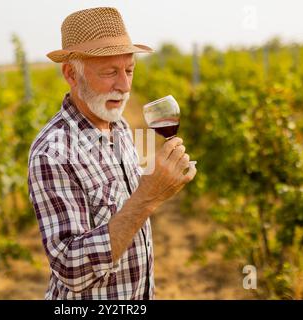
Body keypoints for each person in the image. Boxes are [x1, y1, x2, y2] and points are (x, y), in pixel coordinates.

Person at [28, 7, 197, 300]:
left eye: (129, 70)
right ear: (71, 73)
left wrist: (161, 178)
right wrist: (149, 195)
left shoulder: (116, 124)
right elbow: (70, 268)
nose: (125, 85)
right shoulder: (52, 153)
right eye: (110, 72)